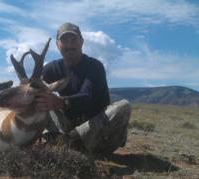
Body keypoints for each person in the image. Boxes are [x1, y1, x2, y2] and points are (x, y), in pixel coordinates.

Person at [35, 22, 131, 154]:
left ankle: (66, 144)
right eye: (64, 41)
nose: (69, 45)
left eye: (73, 40)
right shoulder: (52, 69)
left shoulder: (94, 66)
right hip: (68, 128)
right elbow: (32, 88)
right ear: (57, 45)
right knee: (41, 99)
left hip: (97, 134)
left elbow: (87, 97)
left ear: (81, 42)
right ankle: (60, 141)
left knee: (124, 106)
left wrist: (60, 102)